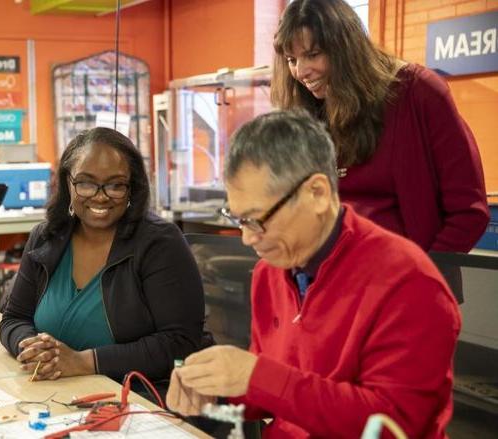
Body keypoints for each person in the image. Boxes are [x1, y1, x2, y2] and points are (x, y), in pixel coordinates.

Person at [166, 110, 461, 438]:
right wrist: (216, 391)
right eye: (237, 219)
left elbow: (392, 426)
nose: (248, 239)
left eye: (256, 219)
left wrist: (256, 376)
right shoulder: (271, 271)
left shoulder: (409, 284)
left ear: (317, 193)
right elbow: (275, 394)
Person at [271, 0, 488, 252]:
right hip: (337, 282)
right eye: (291, 59)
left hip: (412, 281)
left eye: (313, 54)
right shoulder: (309, 111)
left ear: (346, 48)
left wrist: (421, 274)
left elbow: (469, 212)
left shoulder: (419, 92)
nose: (301, 71)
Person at [0, 127, 210, 383]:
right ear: (68, 182)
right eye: (86, 183)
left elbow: (180, 343)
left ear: (132, 187)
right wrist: (33, 348)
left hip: (140, 398)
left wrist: (84, 362)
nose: (100, 197)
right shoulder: (46, 238)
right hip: (57, 392)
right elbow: (14, 318)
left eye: (115, 185)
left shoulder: (160, 243)